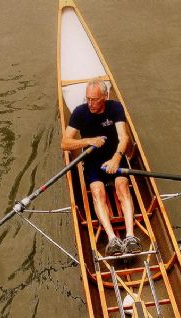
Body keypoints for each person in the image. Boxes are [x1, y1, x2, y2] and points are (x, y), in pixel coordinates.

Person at [61, 80, 141, 256]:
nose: (90, 103)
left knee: (122, 188)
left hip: (115, 157)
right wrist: (88, 140)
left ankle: (129, 236)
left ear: (105, 96)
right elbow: (65, 143)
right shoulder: (79, 113)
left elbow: (124, 137)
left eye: (95, 99)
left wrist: (115, 159)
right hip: (92, 162)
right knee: (97, 192)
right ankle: (112, 238)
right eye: (87, 99)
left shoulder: (115, 108)